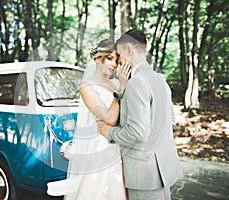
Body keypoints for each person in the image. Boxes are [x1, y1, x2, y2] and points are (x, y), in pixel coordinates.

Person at [98, 29, 183, 200]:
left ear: (129, 50)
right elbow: (171, 119)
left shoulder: (136, 82)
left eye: (120, 55)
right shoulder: (160, 79)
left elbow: (137, 132)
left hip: (144, 175)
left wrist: (109, 132)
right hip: (163, 171)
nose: (119, 62)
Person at [47, 39, 130, 200]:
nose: (114, 65)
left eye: (116, 61)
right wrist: (121, 89)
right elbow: (109, 118)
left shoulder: (114, 84)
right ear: (98, 58)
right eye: (110, 58)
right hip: (100, 148)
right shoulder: (87, 87)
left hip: (117, 144)